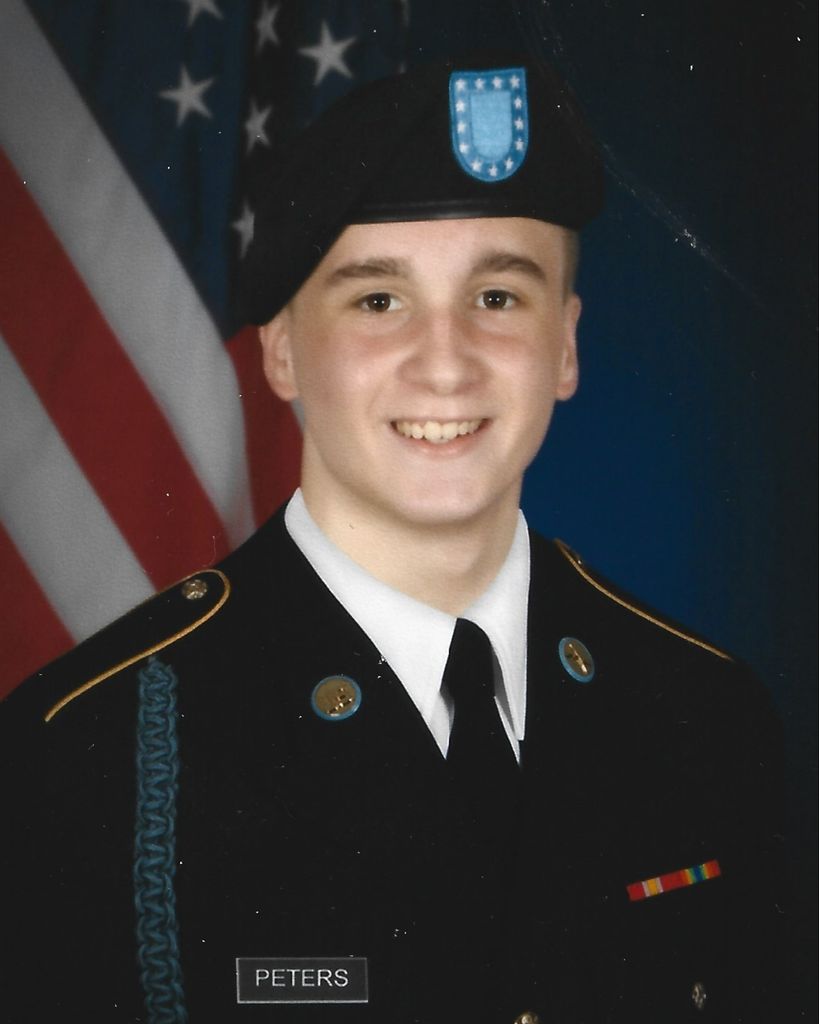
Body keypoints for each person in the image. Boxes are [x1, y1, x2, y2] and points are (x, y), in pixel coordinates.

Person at [1, 55, 784, 1024]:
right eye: (379, 300)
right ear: (282, 351)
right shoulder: (88, 755)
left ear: (566, 344)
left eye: (497, 297)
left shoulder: (706, 716)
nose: (445, 365)